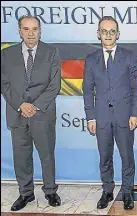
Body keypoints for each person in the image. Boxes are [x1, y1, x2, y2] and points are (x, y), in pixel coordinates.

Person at [82, 16, 137, 210]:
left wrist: (135, 113)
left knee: (127, 156)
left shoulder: (130, 56)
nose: (108, 35)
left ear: (118, 34)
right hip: (100, 117)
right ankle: (107, 191)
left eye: (112, 31)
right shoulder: (91, 60)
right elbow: (87, 90)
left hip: (125, 116)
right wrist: (90, 116)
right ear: (98, 34)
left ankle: (127, 192)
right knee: (105, 156)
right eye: (104, 31)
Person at [1, 15, 62, 211]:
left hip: (42, 114)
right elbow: (4, 84)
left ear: (40, 30)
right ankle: (25, 193)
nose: (31, 33)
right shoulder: (6, 54)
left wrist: (34, 106)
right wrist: (21, 104)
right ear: (19, 31)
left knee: (47, 155)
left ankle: (51, 191)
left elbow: (54, 85)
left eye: (34, 29)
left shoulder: (51, 52)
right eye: (26, 29)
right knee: (21, 156)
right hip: (17, 113)